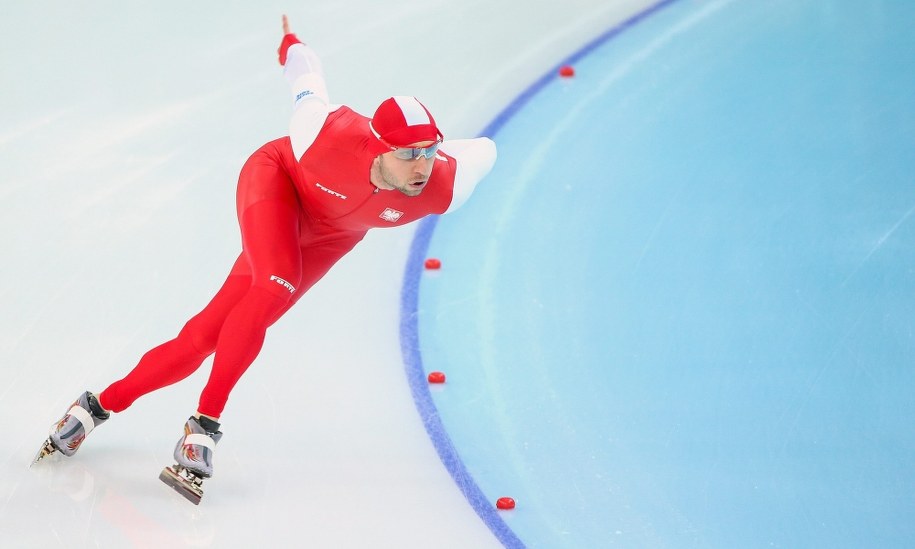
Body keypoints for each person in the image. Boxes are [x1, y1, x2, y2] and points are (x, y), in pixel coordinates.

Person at [42, 15, 497, 481]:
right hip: (276, 183)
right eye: (408, 153)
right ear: (379, 147)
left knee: (204, 337)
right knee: (274, 284)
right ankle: (203, 427)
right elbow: (307, 78)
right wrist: (290, 42)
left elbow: (486, 149)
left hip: (332, 236)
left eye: (428, 149)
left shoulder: (448, 184)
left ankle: (96, 406)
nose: (421, 164)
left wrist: (443, 150)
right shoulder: (322, 131)